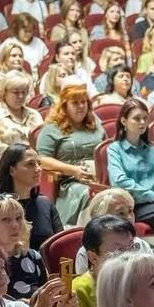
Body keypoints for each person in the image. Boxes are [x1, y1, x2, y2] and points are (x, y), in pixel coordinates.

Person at [55, 214, 137, 307]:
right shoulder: (77, 292)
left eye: (132, 247)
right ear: (93, 257)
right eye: (119, 251)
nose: (130, 257)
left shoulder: (143, 283)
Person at [36, 84, 103, 225]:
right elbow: (41, 160)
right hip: (68, 181)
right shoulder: (52, 129)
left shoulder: (95, 125)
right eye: (75, 103)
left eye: (83, 102)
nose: (81, 106)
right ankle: (88, 231)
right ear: (65, 106)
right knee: (90, 194)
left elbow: (105, 151)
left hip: (99, 178)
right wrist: (73, 170)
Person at [105, 99, 154, 230]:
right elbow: (120, 181)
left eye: (145, 118)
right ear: (124, 121)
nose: (143, 122)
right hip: (131, 207)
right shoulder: (114, 149)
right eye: (137, 118)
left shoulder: (151, 148)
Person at [0, 194, 48, 301]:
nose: (15, 225)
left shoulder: (33, 257)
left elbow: (47, 297)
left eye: (18, 218)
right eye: (6, 220)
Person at [0, 145, 62, 250]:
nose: (38, 169)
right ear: (12, 170)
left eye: (38, 163)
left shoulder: (45, 203)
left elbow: (60, 244)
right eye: (30, 164)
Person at [0, 70, 43, 161]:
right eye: (16, 92)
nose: (20, 96)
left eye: (24, 92)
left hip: (36, 163)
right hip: (9, 163)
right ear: (4, 93)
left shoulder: (34, 115)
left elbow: (43, 141)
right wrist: (15, 152)